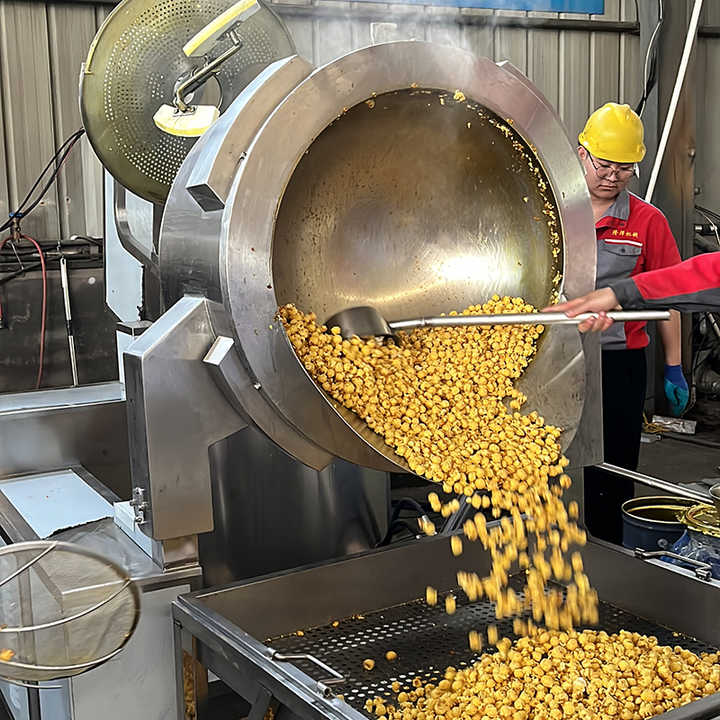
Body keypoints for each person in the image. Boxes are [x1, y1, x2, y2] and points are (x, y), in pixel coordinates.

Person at [574, 102, 688, 544]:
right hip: (554, 358)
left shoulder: (647, 221)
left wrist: (674, 366)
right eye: (604, 164)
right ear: (582, 154)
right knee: (547, 457)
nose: (612, 176)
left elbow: (670, 299)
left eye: (624, 168)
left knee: (613, 464)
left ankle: (606, 548)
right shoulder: (553, 210)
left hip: (619, 362)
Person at [545, 252, 720, 326]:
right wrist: (618, 294)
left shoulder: (648, 217)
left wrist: (673, 365)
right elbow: (703, 275)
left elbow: (703, 278)